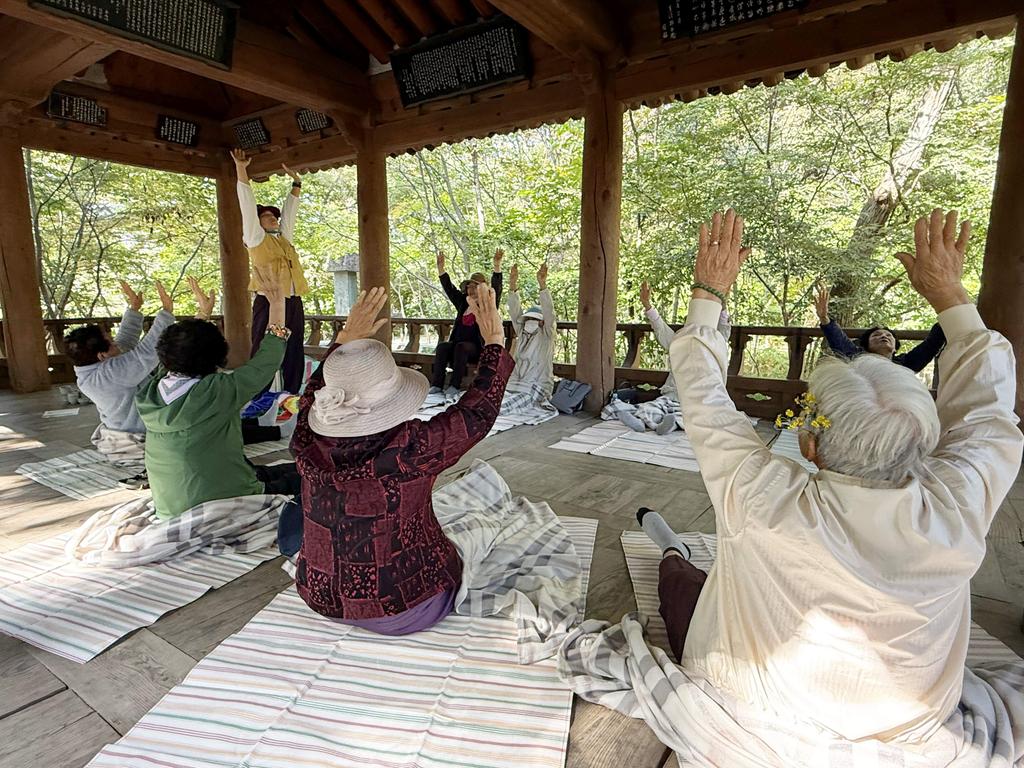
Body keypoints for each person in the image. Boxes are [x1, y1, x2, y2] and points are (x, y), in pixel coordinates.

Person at [634, 208, 1022, 752]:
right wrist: (951, 295)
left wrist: (709, 289)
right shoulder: (959, 504)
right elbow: (989, 414)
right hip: (909, 730)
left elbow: (700, 392)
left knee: (683, 589)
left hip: (757, 718)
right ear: (926, 442)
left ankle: (669, 549)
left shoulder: (761, 496)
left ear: (808, 444)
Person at [291, 284, 514, 634]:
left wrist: (345, 339)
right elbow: (476, 414)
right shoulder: (412, 449)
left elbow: (309, 397)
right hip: (403, 606)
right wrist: (496, 343)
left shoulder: (306, 437)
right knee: (452, 553)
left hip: (319, 596)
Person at [136, 267, 301, 520]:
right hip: (222, 500)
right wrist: (278, 303)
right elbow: (267, 360)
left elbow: (180, 351)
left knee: (277, 469)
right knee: (304, 476)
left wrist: (202, 314)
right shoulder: (215, 391)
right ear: (218, 355)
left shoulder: (151, 391)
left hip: (171, 504)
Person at [63, 280, 176, 470]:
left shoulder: (92, 365)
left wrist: (134, 309)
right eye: (110, 342)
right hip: (133, 440)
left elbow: (124, 342)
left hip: (126, 432)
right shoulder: (108, 375)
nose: (116, 342)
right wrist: (166, 313)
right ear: (102, 355)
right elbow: (146, 353)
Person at [603, 280, 730, 434]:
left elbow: (724, 330)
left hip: (699, 401)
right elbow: (660, 328)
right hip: (671, 396)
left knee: (694, 416)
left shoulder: (714, 345)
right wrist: (647, 304)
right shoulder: (680, 343)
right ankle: (640, 421)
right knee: (650, 407)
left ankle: (671, 423)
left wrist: (721, 305)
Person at [231, 148, 309, 394]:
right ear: (258, 222)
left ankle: (293, 393)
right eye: (266, 217)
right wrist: (241, 169)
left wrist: (296, 183)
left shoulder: (284, 239)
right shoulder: (255, 238)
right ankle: (258, 392)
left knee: (295, 345)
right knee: (264, 347)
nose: (272, 218)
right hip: (268, 300)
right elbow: (246, 205)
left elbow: (290, 214)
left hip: (293, 300)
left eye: (273, 216)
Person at [813, 282, 946, 372]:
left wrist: (947, 311)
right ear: (866, 345)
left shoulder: (905, 364)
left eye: (888, 336)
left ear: (895, 348)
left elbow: (931, 345)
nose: (883, 336)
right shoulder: (856, 357)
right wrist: (824, 318)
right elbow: (838, 340)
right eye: (876, 335)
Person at [429, 248, 503, 396]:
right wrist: (441, 269)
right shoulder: (463, 302)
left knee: (462, 347)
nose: (471, 289)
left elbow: (497, 288)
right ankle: (436, 384)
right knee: (443, 347)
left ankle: (454, 386)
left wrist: (497, 267)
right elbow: (450, 290)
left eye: (475, 286)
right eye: (469, 286)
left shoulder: (488, 303)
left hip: (477, 349)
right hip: (457, 347)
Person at [502, 261, 557, 409]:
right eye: (529, 319)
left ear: (542, 321)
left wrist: (542, 285)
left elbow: (549, 312)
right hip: (515, 383)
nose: (531, 322)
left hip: (537, 385)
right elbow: (514, 312)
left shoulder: (546, 335)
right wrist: (512, 285)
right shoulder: (522, 332)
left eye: (535, 319)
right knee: (492, 402)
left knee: (509, 406)